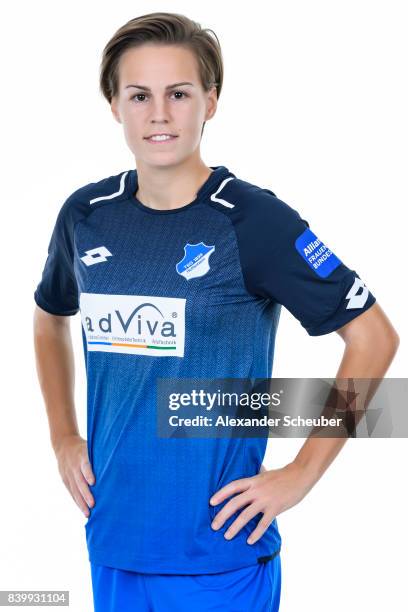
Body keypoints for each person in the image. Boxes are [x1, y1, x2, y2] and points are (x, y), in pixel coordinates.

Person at [33, 11, 399, 612]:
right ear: (114, 105)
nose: (159, 114)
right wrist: (61, 435)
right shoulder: (86, 214)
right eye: (139, 95)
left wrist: (302, 473)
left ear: (211, 101)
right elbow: (49, 318)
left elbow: (375, 338)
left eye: (179, 93)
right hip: (113, 542)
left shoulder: (252, 221)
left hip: (220, 556)